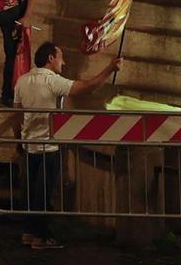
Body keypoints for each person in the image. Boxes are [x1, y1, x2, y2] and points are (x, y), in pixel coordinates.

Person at [13, 42, 121, 249]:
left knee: (29, 192)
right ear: (51, 58)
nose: (64, 61)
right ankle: (41, 237)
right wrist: (110, 68)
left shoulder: (22, 81)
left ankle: (28, 232)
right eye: (60, 56)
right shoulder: (53, 82)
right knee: (43, 193)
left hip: (28, 146)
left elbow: (17, 115)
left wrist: (18, 140)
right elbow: (88, 87)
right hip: (48, 148)